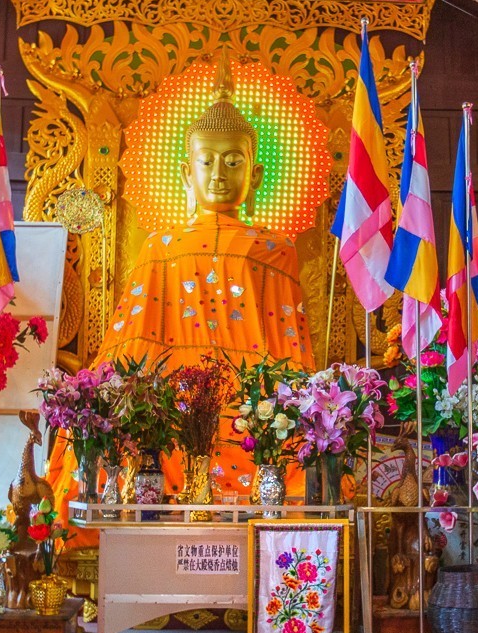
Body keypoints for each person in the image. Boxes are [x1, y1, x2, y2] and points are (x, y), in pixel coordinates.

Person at [48, 57, 315, 517]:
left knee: (299, 455)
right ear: (185, 171)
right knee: (127, 447)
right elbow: (128, 343)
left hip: (254, 415)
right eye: (206, 161)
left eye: (234, 161)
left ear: (256, 174)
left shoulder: (277, 249)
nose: (218, 173)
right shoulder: (160, 248)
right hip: (172, 407)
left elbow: (292, 352)